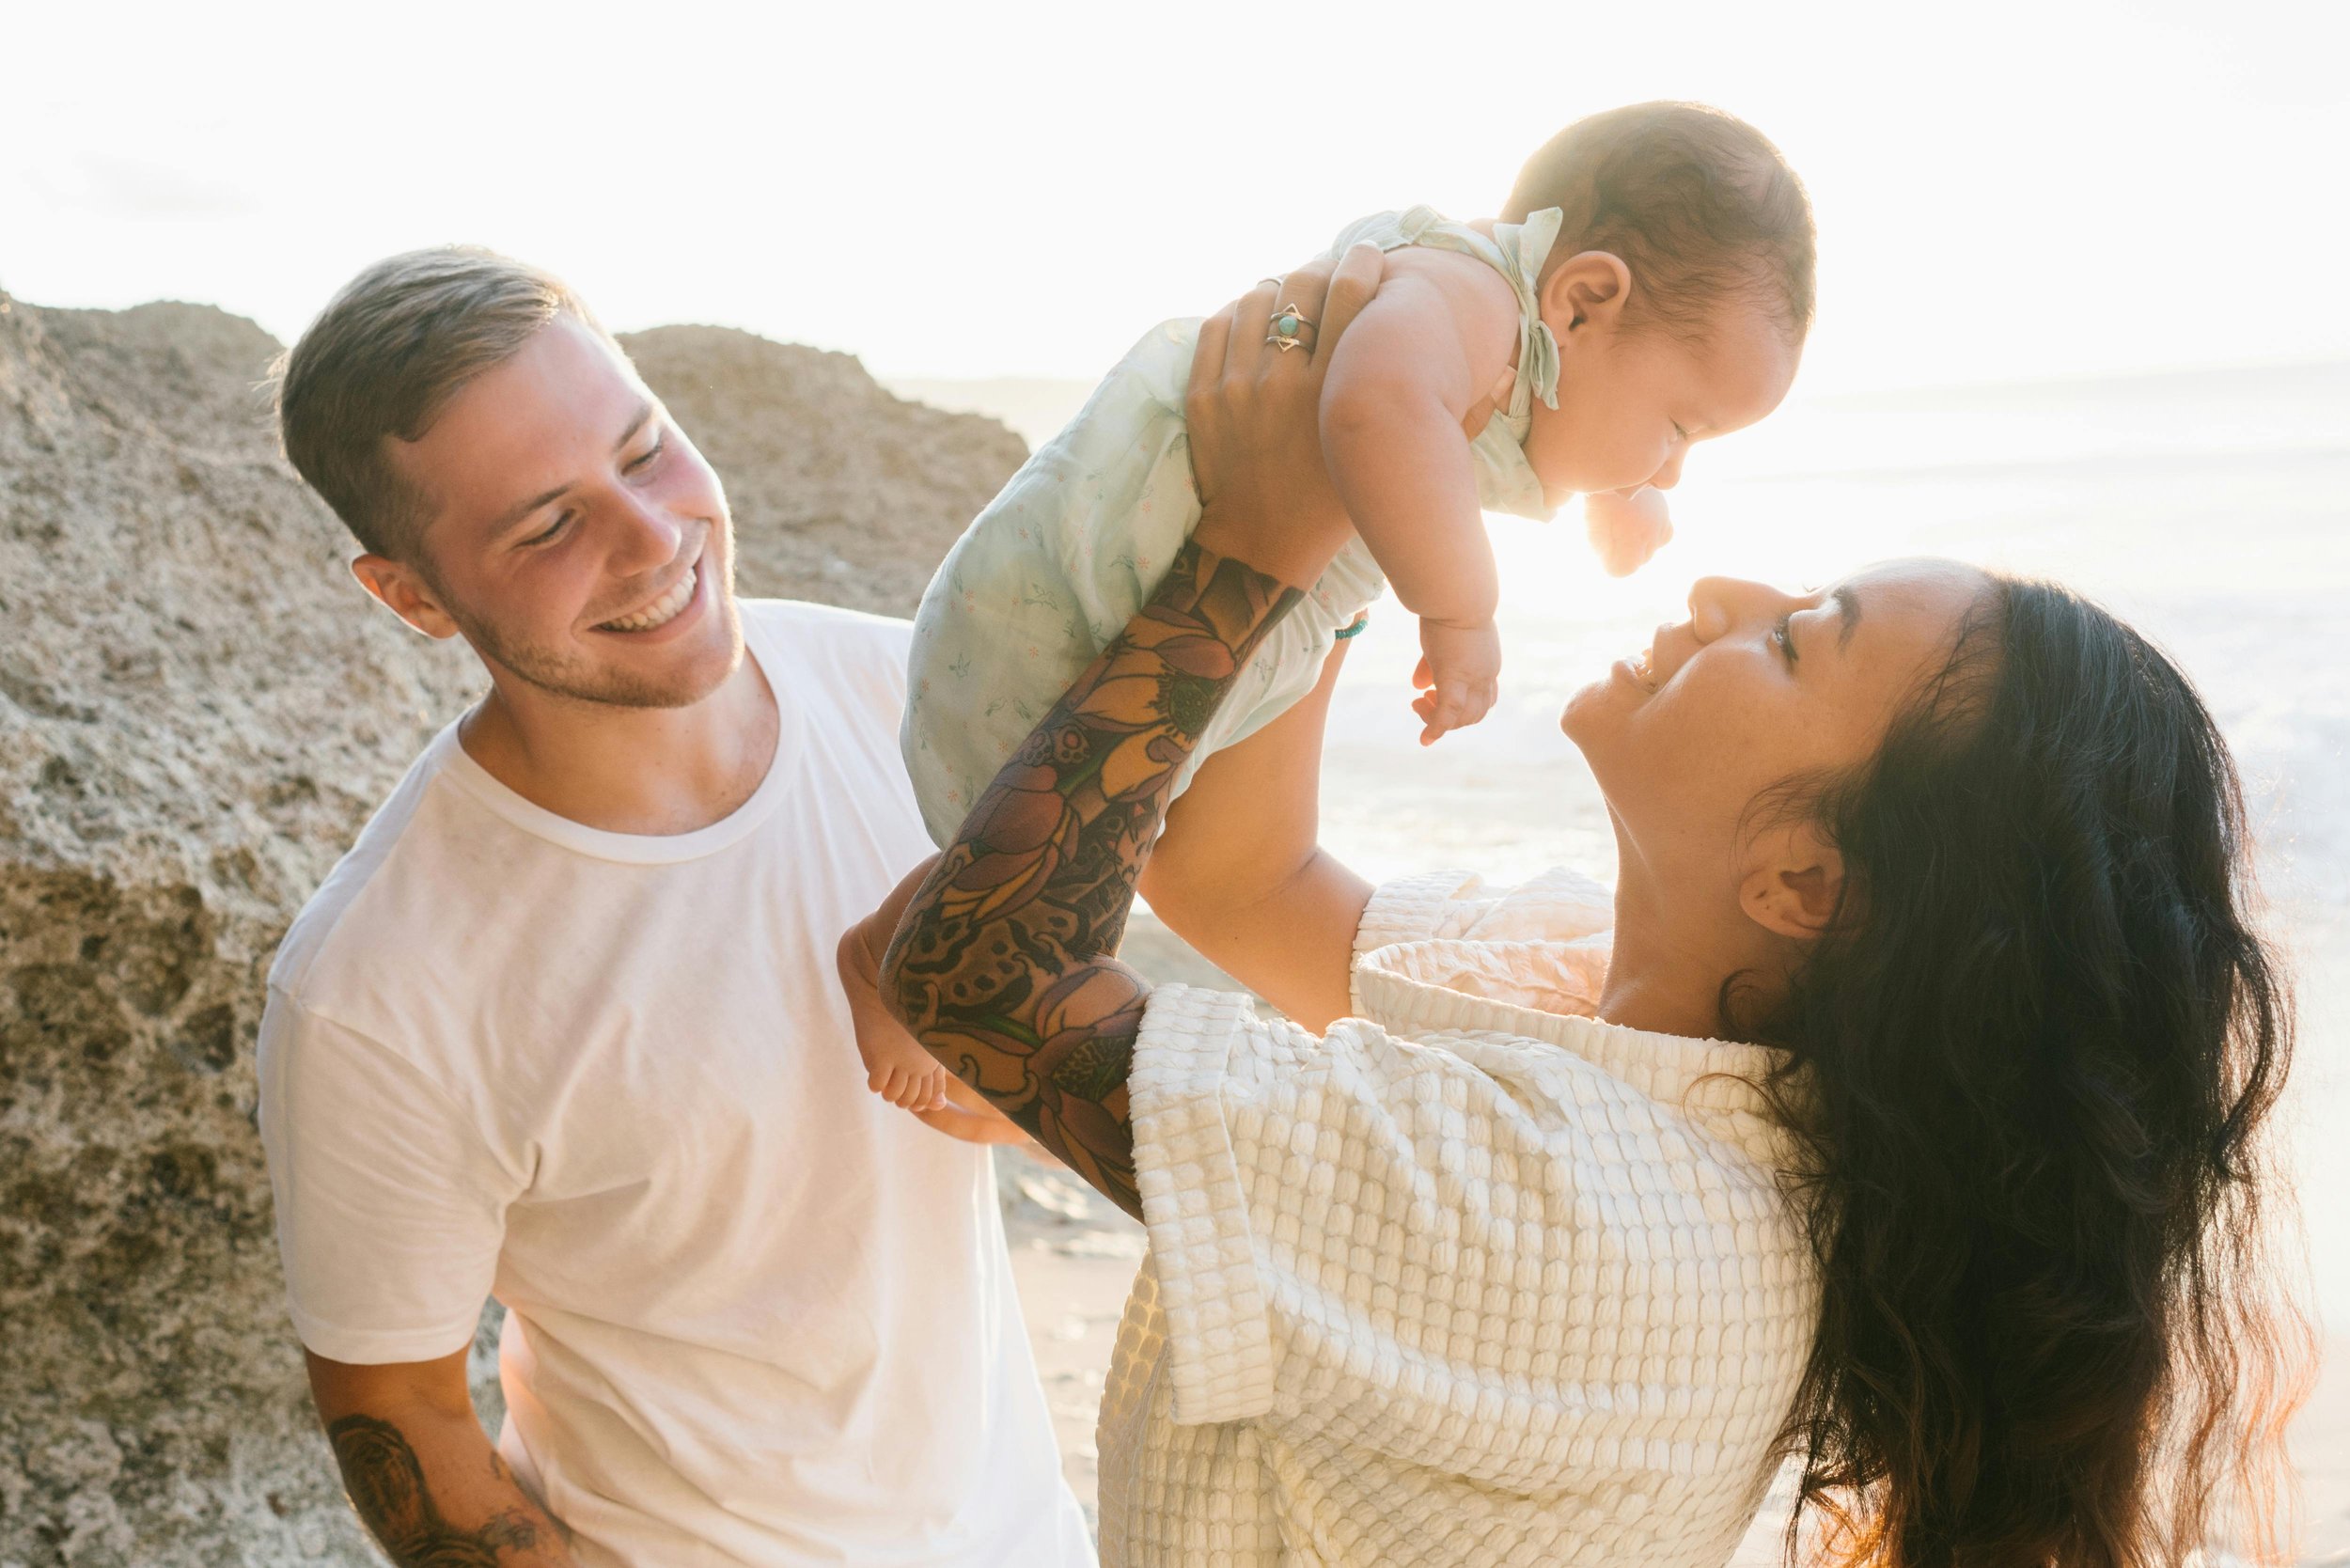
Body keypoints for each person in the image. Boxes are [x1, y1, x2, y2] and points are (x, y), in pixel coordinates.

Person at [840, 252, 2310, 1565]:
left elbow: (974, 981)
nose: (1730, 585)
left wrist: (1246, 554)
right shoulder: (1592, 989)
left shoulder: (1599, 1227)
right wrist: (1346, 520)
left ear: (1803, 885)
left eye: (1800, 641)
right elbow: (1245, 882)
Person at [255, 248, 1092, 1568]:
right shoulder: (376, 989)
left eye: (644, 453)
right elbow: (397, 1404)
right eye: (545, 526)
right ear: (411, 596)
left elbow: (1081, 1078)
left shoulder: (916, 705)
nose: (651, 539)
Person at [862, 100, 1814, 1114]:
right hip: (1099, 587)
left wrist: (1629, 490)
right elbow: (1373, 407)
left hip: (1206, 579)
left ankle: (892, 950)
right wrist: (1460, 611)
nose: (1672, 462)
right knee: (1067, 846)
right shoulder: (1469, 300)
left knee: (1099, 840)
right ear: (1581, 300)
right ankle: (907, 967)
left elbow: (1512, 425)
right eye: (1678, 427)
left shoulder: (1530, 341)